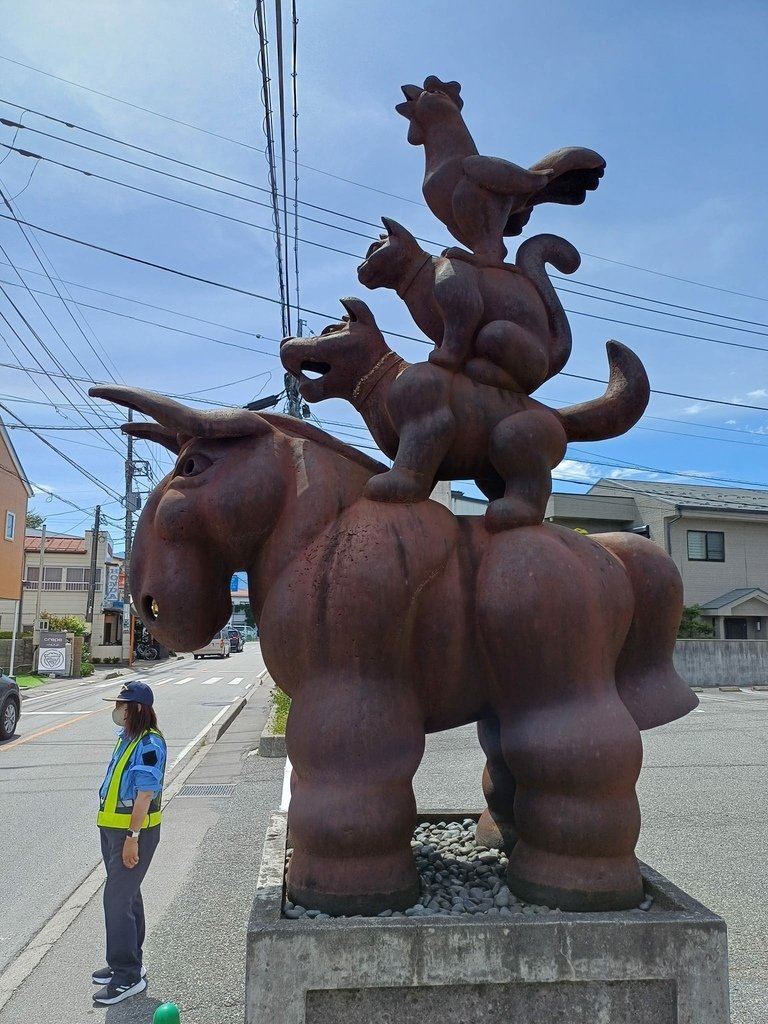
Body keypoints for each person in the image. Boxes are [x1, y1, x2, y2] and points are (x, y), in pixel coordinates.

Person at [92, 681, 167, 1006]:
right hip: (112, 830)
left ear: (135, 709)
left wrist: (133, 839)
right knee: (127, 896)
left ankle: (127, 976)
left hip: (132, 834)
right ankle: (128, 961)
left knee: (116, 899)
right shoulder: (127, 738)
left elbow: (145, 795)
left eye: (122, 704)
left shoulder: (149, 743)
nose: (117, 709)